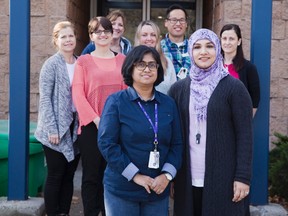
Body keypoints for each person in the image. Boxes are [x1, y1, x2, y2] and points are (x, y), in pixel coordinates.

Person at [169, 28, 253, 216]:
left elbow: (245, 136)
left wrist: (243, 177)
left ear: (218, 50)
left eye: (209, 46)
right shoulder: (178, 90)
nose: (203, 52)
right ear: (190, 51)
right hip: (187, 179)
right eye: (197, 47)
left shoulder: (234, 87)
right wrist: (173, 176)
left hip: (225, 179)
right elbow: (174, 137)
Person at [97, 45, 183, 216]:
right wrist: (135, 175)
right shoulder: (117, 102)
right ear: (131, 68)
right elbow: (107, 144)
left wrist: (166, 176)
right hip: (122, 189)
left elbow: (177, 144)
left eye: (152, 65)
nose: (147, 69)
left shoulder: (168, 104)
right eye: (140, 64)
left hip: (157, 189)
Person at [72, 17, 126, 216]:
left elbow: (126, 93)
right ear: (91, 35)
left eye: (106, 30)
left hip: (117, 127)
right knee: (92, 176)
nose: (102, 34)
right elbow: (78, 93)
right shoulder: (84, 62)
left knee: (112, 174)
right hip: (90, 127)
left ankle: (109, 211)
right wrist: (96, 119)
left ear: (112, 33)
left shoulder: (122, 60)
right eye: (97, 31)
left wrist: (114, 121)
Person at [34, 21, 80, 216]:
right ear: (56, 40)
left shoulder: (80, 63)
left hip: (73, 127)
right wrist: (52, 129)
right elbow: (44, 98)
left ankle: (64, 212)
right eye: (63, 37)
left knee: (69, 175)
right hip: (53, 129)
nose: (68, 40)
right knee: (56, 173)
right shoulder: (51, 64)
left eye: (70, 36)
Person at [220, 24, 260, 116]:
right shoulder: (213, 66)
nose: (227, 42)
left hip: (238, 118)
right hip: (216, 119)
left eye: (231, 39)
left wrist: (246, 120)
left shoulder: (249, 68)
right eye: (224, 38)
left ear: (239, 41)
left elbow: (255, 99)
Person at [134, 20, 177, 94]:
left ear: (157, 38)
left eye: (153, 35)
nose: (149, 38)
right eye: (144, 35)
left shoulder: (167, 62)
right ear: (138, 38)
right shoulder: (131, 61)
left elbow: (174, 91)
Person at [161, 4, 191, 79]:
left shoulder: (194, 47)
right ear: (166, 23)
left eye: (181, 20)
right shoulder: (158, 48)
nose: (178, 24)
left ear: (186, 23)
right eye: (174, 20)